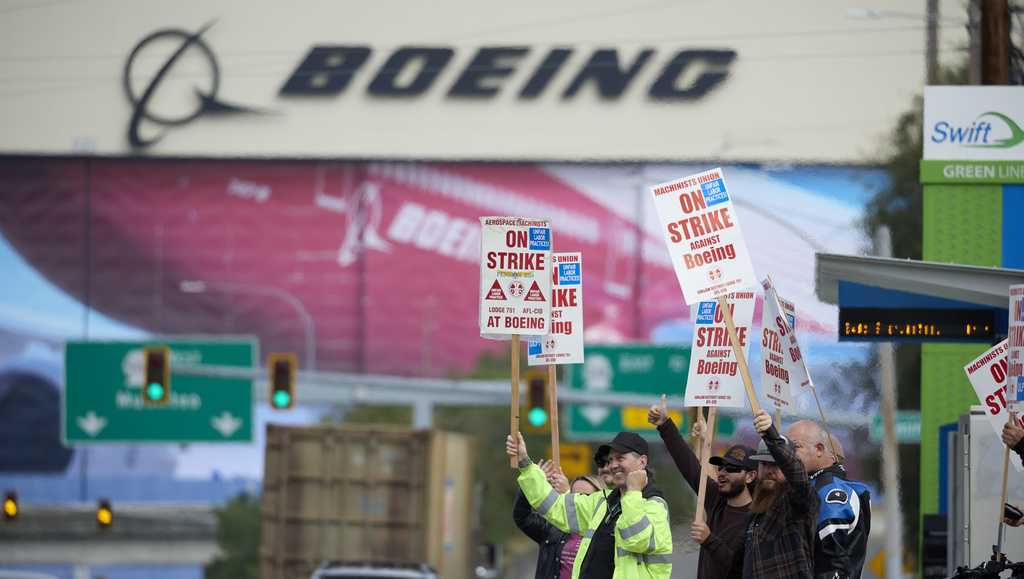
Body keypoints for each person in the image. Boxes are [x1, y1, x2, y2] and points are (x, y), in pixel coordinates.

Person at [506, 431, 672, 579]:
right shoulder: (602, 502)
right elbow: (555, 506)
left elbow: (636, 540)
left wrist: (633, 491)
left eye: (620, 458)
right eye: (611, 459)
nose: (613, 465)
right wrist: (525, 463)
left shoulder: (655, 506)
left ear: (642, 462)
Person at [648, 401, 756, 579]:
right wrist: (665, 424)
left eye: (732, 469)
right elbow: (688, 464)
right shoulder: (716, 499)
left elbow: (742, 569)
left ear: (750, 476)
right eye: (721, 467)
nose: (722, 473)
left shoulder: (757, 518)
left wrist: (709, 540)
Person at [786, 421, 871, 579]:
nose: (788, 454)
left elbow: (834, 560)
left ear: (820, 450)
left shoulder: (830, 490)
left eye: (795, 447)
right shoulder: (818, 486)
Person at [743, 409, 817, 579]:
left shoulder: (798, 501)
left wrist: (771, 434)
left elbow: (797, 474)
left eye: (776, 465)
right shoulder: (755, 510)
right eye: (764, 464)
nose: (769, 470)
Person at [514, 459, 605, 579]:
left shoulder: (606, 531)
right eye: (575, 495)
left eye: (586, 496)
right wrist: (534, 483)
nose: (579, 500)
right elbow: (522, 516)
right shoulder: (554, 527)